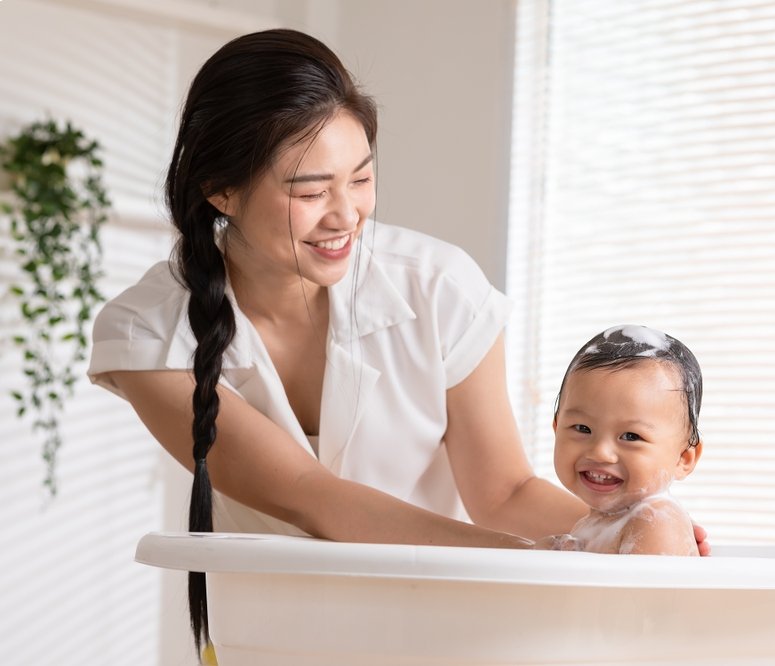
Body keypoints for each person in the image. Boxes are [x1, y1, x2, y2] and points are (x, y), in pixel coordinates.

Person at [86, 29, 708, 652]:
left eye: (360, 179)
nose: (346, 214)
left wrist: (631, 529)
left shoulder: (439, 288)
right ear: (221, 188)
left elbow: (503, 492)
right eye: (310, 191)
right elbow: (313, 499)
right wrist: (552, 558)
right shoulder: (148, 334)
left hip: (436, 637)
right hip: (268, 639)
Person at [546, 325, 703, 555]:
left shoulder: (654, 522)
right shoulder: (593, 524)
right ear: (556, 428)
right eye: (583, 428)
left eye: (631, 436)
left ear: (683, 458)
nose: (599, 452)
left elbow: (650, 592)